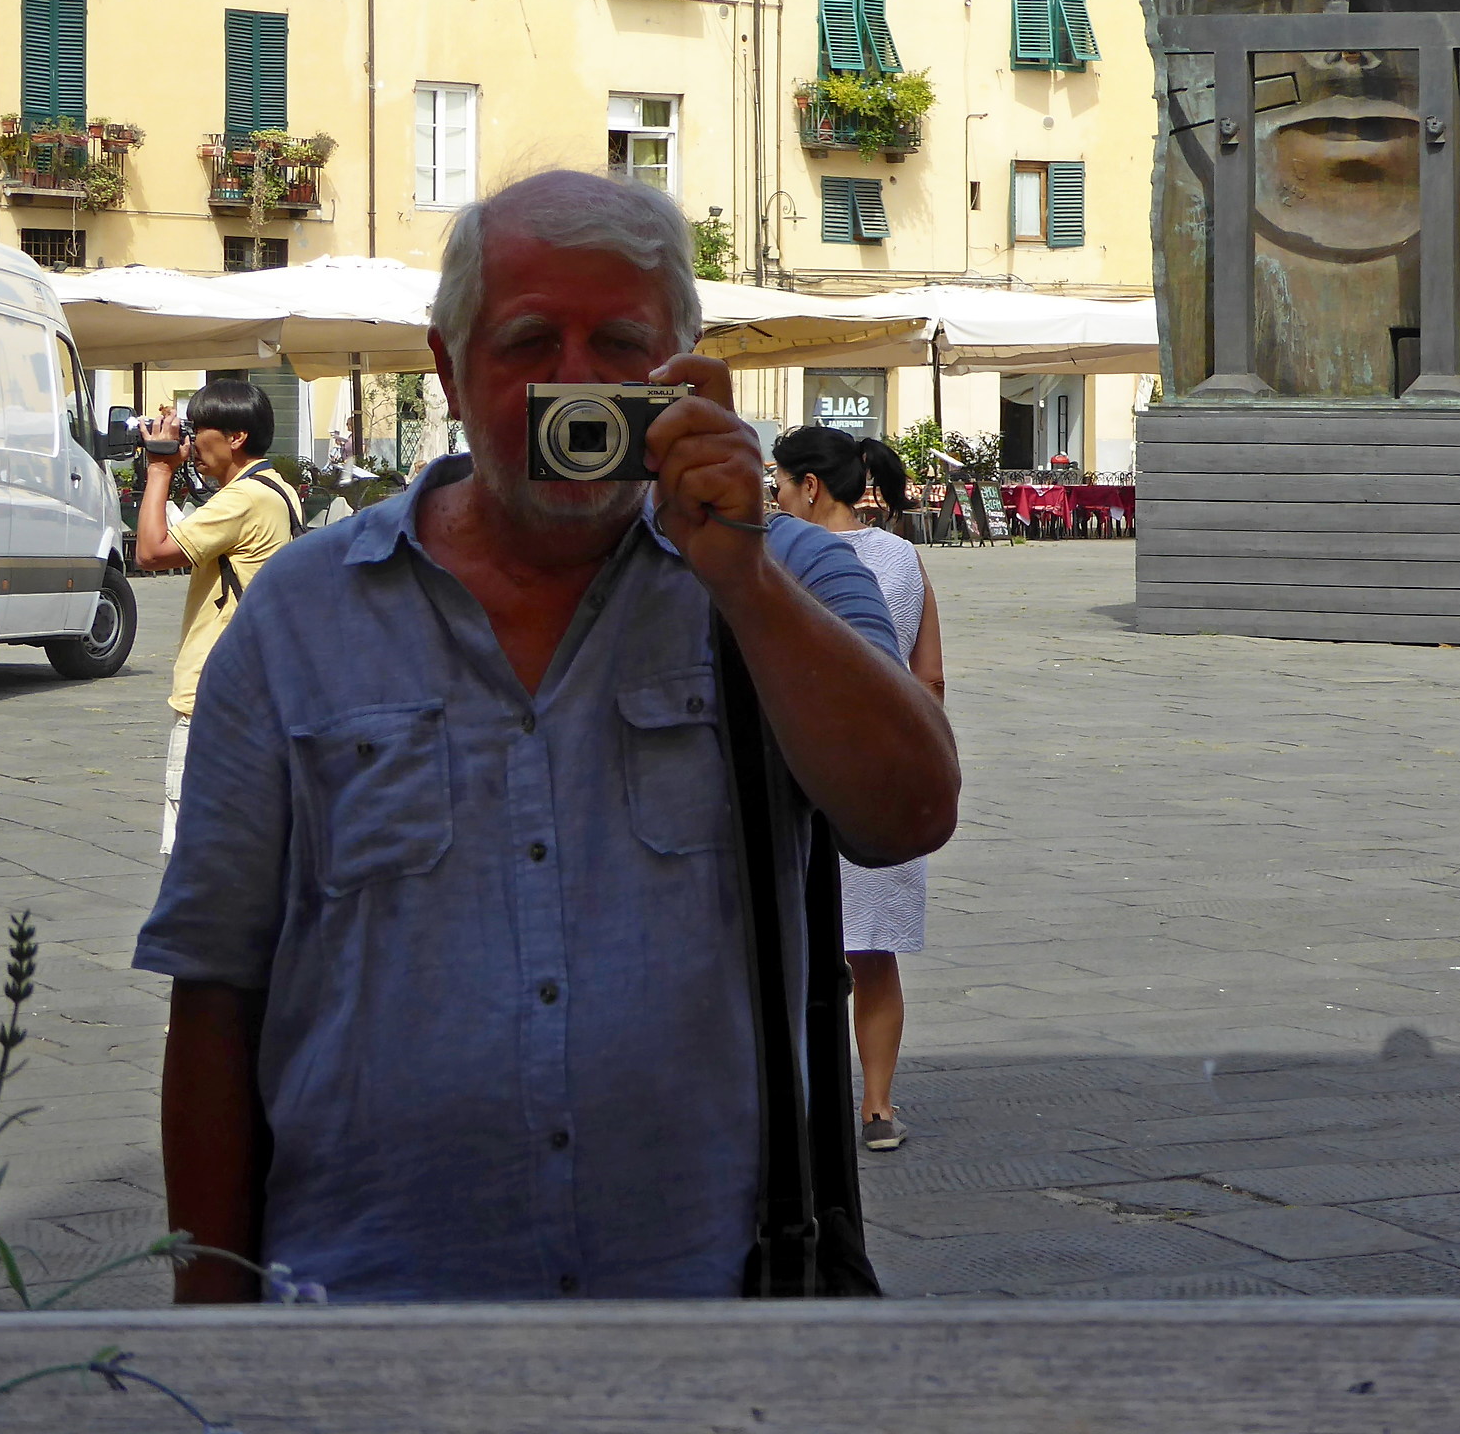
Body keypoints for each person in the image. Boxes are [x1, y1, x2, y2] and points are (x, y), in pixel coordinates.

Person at [135, 168, 961, 1304]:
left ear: (686, 365)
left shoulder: (793, 575)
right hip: (371, 1315)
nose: (574, 382)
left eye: (620, 343)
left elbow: (909, 813)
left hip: (712, 1315)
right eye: (528, 343)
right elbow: (217, 991)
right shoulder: (307, 613)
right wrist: (211, 1326)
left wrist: (743, 581)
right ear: (449, 370)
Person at [770, 424, 946, 1154]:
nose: (772, 496)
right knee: (873, 954)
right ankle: (876, 1106)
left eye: (777, 483)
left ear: (811, 487)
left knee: (789, 950)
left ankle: (797, 1102)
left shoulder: (775, 559)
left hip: (796, 772)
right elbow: (930, 675)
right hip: (881, 770)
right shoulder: (903, 557)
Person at [129, 380, 301, 857]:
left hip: (216, 697)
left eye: (198, 429)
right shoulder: (276, 489)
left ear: (236, 437)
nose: (190, 440)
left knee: (197, 855)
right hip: (254, 690)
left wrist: (160, 469)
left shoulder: (243, 498)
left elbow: (150, 550)